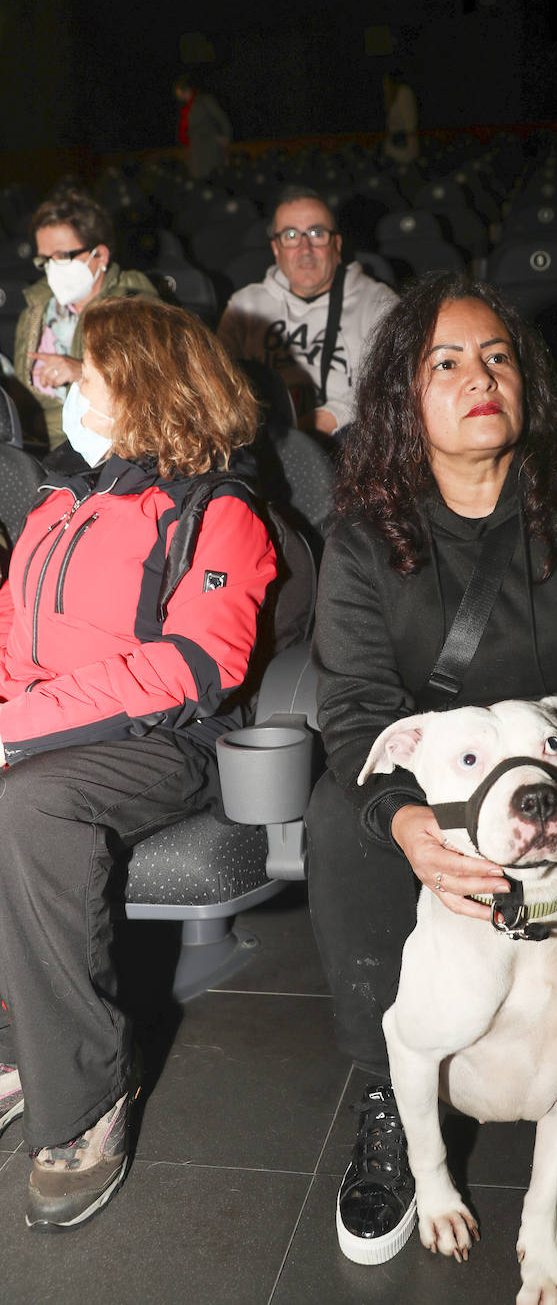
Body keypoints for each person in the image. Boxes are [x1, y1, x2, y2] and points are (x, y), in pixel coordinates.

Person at [308, 272, 557, 1303]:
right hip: (443, 773)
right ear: (406, 396)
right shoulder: (364, 536)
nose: (477, 376)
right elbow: (354, 704)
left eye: (496, 356)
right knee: (338, 829)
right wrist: (403, 815)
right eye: (444, 361)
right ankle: (390, 1103)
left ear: (526, 381)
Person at [0, 296, 276, 1232]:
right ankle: (16, 1042)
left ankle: (84, 1098)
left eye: (91, 371)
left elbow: (196, 666)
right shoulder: (58, 494)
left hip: (158, 743)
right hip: (45, 727)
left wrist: (20, 726)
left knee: (30, 803)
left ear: (150, 383)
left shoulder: (218, 506)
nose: (72, 386)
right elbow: (11, 629)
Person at [217, 185, 398, 436]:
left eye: (316, 233)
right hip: (266, 438)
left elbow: (387, 383)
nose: (305, 249)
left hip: (348, 437)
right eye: (291, 236)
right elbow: (218, 384)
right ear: (276, 249)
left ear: (336, 244)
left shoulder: (378, 302)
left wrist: (326, 420)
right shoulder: (244, 306)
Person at [12, 188, 159, 453]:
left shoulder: (137, 308)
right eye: (45, 259)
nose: (51, 268)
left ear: (99, 256)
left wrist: (82, 371)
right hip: (43, 454)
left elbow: (158, 390)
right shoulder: (35, 312)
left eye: (62, 256)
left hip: (119, 453)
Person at [174, 75, 232, 179]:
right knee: (197, 177)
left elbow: (221, 118)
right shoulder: (185, 108)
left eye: (179, 93)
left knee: (213, 175)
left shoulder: (204, 100)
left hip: (209, 144)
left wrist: (226, 137)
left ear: (186, 90)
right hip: (195, 146)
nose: (179, 97)